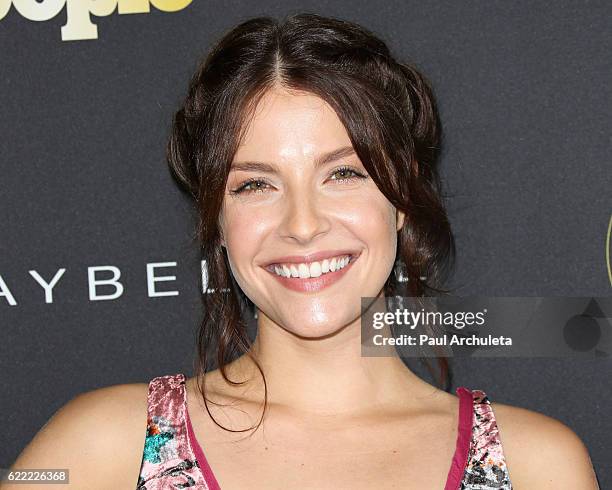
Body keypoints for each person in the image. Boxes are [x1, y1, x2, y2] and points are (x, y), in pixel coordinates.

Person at [4, 13, 600, 490]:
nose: (303, 224)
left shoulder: (537, 466)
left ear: (400, 198)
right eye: (255, 184)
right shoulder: (96, 449)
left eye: (343, 174)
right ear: (217, 217)